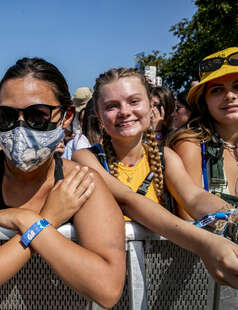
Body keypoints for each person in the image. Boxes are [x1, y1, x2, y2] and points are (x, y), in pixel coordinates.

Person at [0, 58, 126, 308]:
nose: (20, 128)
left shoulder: (80, 181)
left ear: (65, 116)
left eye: (37, 115)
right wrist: (48, 220)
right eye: (6, 115)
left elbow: (107, 288)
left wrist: (29, 222)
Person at [72, 67, 238, 288]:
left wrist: (232, 219)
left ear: (150, 107)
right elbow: (127, 200)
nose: (124, 112)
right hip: (107, 281)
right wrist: (205, 243)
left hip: (158, 282)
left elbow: (195, 197)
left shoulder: (165, 157)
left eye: (134, 101)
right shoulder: (85, 158)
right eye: (112, 106)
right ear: (99, 116)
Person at [170, 47, 238, 219]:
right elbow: (188, 220)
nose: (229, 96)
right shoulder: (191, 145)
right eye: (217, 90)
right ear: (203, 101)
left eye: (237, 86)